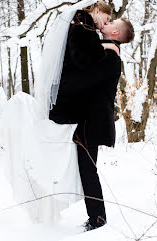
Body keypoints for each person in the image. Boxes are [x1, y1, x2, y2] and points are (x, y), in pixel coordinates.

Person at [49, 16, 135, 231]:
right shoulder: (105, 50)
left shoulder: (111, 57)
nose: (108, 22)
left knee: (88, 170)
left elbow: (87, 78)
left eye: (113, 22)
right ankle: (96, 216)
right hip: (88, 120)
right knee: (86, 169)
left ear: (115, 33)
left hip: (93, 122)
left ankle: (98, 218)